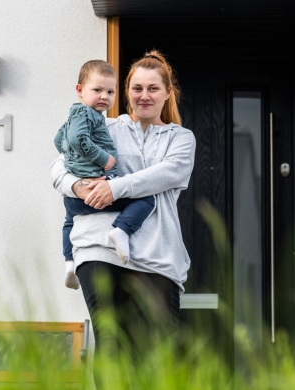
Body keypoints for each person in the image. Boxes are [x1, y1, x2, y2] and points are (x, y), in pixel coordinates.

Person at [50, 50, 195, 360]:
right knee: (112, 344)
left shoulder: (181, 139)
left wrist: (113, 188)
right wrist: (78, 186)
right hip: (100, 247)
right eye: (137, 88)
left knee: (160, 354)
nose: (144, 96)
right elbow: (59, 168)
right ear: (126, 92)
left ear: (168, 92)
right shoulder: (106, 127)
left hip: (158, 255)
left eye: (153, 88)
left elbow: (163, 175)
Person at [54, 60, 156, 290]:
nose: (104, 96)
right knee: (147, 199)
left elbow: (59, 140)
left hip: (75, 199)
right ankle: (121, 230)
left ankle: (69, 262)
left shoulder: (75, 115)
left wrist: (71, 162)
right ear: (80, 90)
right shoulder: (88, 116)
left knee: (69, 221)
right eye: (97, 90)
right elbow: (75, 140)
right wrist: (104, 160)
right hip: (95, 187)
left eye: (110, 92)